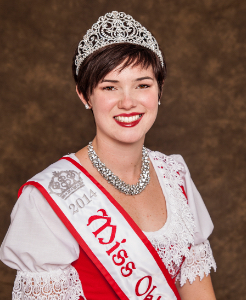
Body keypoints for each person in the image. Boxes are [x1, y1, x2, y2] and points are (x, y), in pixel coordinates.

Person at [0, 11, 216, 300]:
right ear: (84, 95)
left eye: (142, 85)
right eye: (110, 87)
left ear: (159, 90)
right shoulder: (46, 200)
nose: (128, 102)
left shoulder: (175, 176)